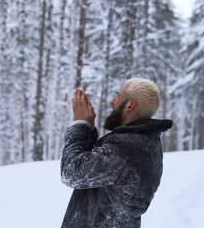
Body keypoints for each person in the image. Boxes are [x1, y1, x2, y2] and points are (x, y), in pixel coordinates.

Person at [60, 78, 173, 228]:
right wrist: (88, 127)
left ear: (130, 105)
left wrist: (80, 125)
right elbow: (97, 169)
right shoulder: (143, 143)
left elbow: (72, 172)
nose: (112, 101)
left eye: (118, 96)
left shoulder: (126, 148)